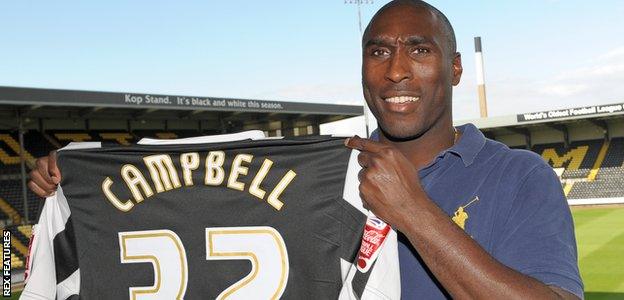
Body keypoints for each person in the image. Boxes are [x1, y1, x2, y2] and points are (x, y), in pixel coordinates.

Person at [29, 0, 583, 298]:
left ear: (455, 67)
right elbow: (193, 192)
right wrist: (83, 179)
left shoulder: (518, 175)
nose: (395, 70)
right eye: (378, 52)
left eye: (419, 50)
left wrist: (414, 213)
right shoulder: (321, 171)